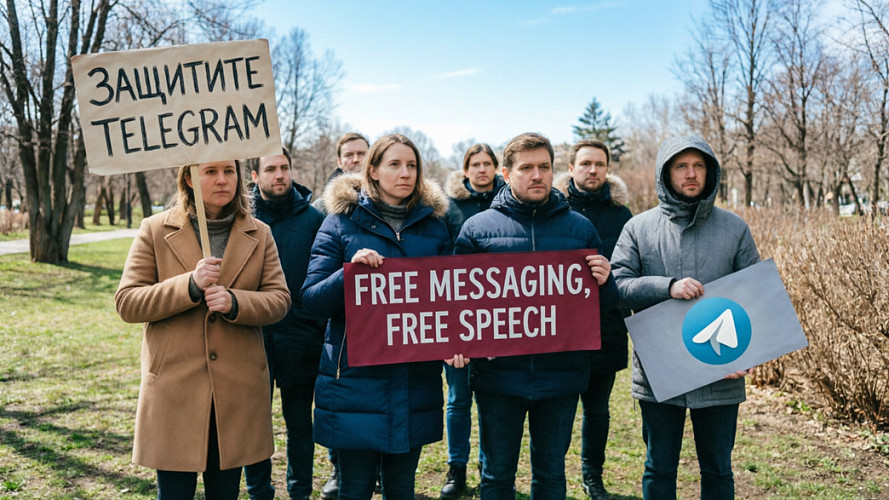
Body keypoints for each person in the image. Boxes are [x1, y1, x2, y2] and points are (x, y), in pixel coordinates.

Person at [455, 132, 618, 499]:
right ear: (506, 173)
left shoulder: (579, 229)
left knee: (550, 477)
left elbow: (603, 305)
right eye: (526, 168)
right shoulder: (477, 230)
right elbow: (458, 306)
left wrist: (606, 282)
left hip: (561, 377)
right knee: (496, 478)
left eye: (544, 167)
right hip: (498, 378)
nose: (537, 175)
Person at [115, 160, 291, 499]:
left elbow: (280, 300)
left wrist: (236, 302)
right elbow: (127, 302)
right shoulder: (155, 229)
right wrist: (190, 286)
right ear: (188, 178)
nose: (222, 180)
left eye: (229, 171)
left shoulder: (259, 232)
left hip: (237, 391)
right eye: (210, 172)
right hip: (174, 390)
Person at [301, 134, 462, 500]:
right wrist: (349, 275)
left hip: (412, 381)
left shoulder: (434, 226)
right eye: (394, 164)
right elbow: (311, 300)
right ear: (371, 170)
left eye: (411, 165)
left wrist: (455, 342)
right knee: (354, 490)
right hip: (355, 383)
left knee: (402, 490)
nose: (405, 173)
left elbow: (450, 300)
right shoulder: (340, 223)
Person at [610, 135, 760, 499]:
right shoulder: (639, 228)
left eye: (699, 166)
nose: (691, 174)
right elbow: (616, 286)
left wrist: (749, 355)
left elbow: (756, 296)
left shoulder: (734, 228)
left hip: (721, 367)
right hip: (660, 371)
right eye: (681, 166)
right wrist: (668, 286)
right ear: (666, 173)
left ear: (710, 172)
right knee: (658, 467)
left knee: (718, 469)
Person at [244, 147, 326, 500]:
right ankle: (259, 490)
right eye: (271, 169)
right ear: (254, 176)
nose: (279, 175)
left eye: (284, 168)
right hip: (251, 337)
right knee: (254, 423)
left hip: (300, 336)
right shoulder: (242, 220)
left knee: (299, 425)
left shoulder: (312, 219)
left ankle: (300, 492)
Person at [554, 139, 632, 500]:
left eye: (599, 164)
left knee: (597, 412)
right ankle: (554, 476)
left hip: (606, 328)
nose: (593, 170)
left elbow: (632, 271)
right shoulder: (552, 209)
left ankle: (592, 476)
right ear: (571, 168)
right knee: (557, 414)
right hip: (559, 333)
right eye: (585, 163)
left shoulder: (622, 216)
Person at [439, 142, 505, 498]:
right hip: (458, 317)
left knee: (492, 398)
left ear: (496, 168)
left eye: (487, 163)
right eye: (474, 164)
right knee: (458, 398)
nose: (481, 169)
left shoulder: (511, 204)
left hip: (500, 318)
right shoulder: (449, 209)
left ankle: (488, 467)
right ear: (465, 171)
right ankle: (456, 468)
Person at [313, 132, 370, 216]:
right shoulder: (321, 206)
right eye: (349, 155)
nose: (356, 159)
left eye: (362, 154)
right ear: (339, 162)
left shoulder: (389, 195)